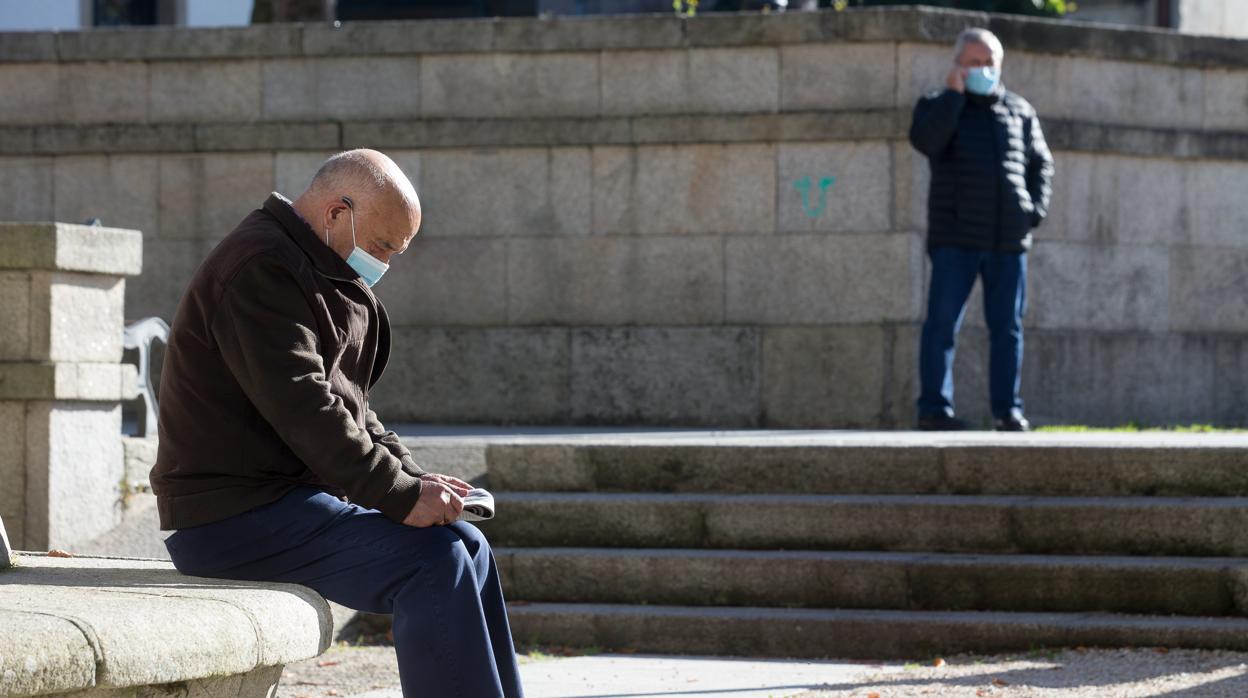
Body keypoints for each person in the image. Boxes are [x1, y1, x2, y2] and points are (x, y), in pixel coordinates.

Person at [150, 149, 525, 697]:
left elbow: (351, 407)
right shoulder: (261, 268)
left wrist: (416, 481)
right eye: (380, 246)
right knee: (434, 562)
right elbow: (307, 408)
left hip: (286, 505)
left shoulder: (312, 266)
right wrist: (397, 493)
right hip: (229, 518)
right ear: (335, 212)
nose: (384, 265)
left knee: (468, 545)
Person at [909, 28, 1055, 432]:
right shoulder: (937, 106)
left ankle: (1007, 410)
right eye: (974, 62)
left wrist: (1033, 210)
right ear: (957, 65)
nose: (983, 69)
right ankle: (935, 409)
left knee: (1008, 329)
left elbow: (1041, 163)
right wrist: (955, 97)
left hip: (1008, 239)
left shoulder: (1019, 110)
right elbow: (927, 142)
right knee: (941, 325)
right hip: (956, 237)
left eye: (989, 62)